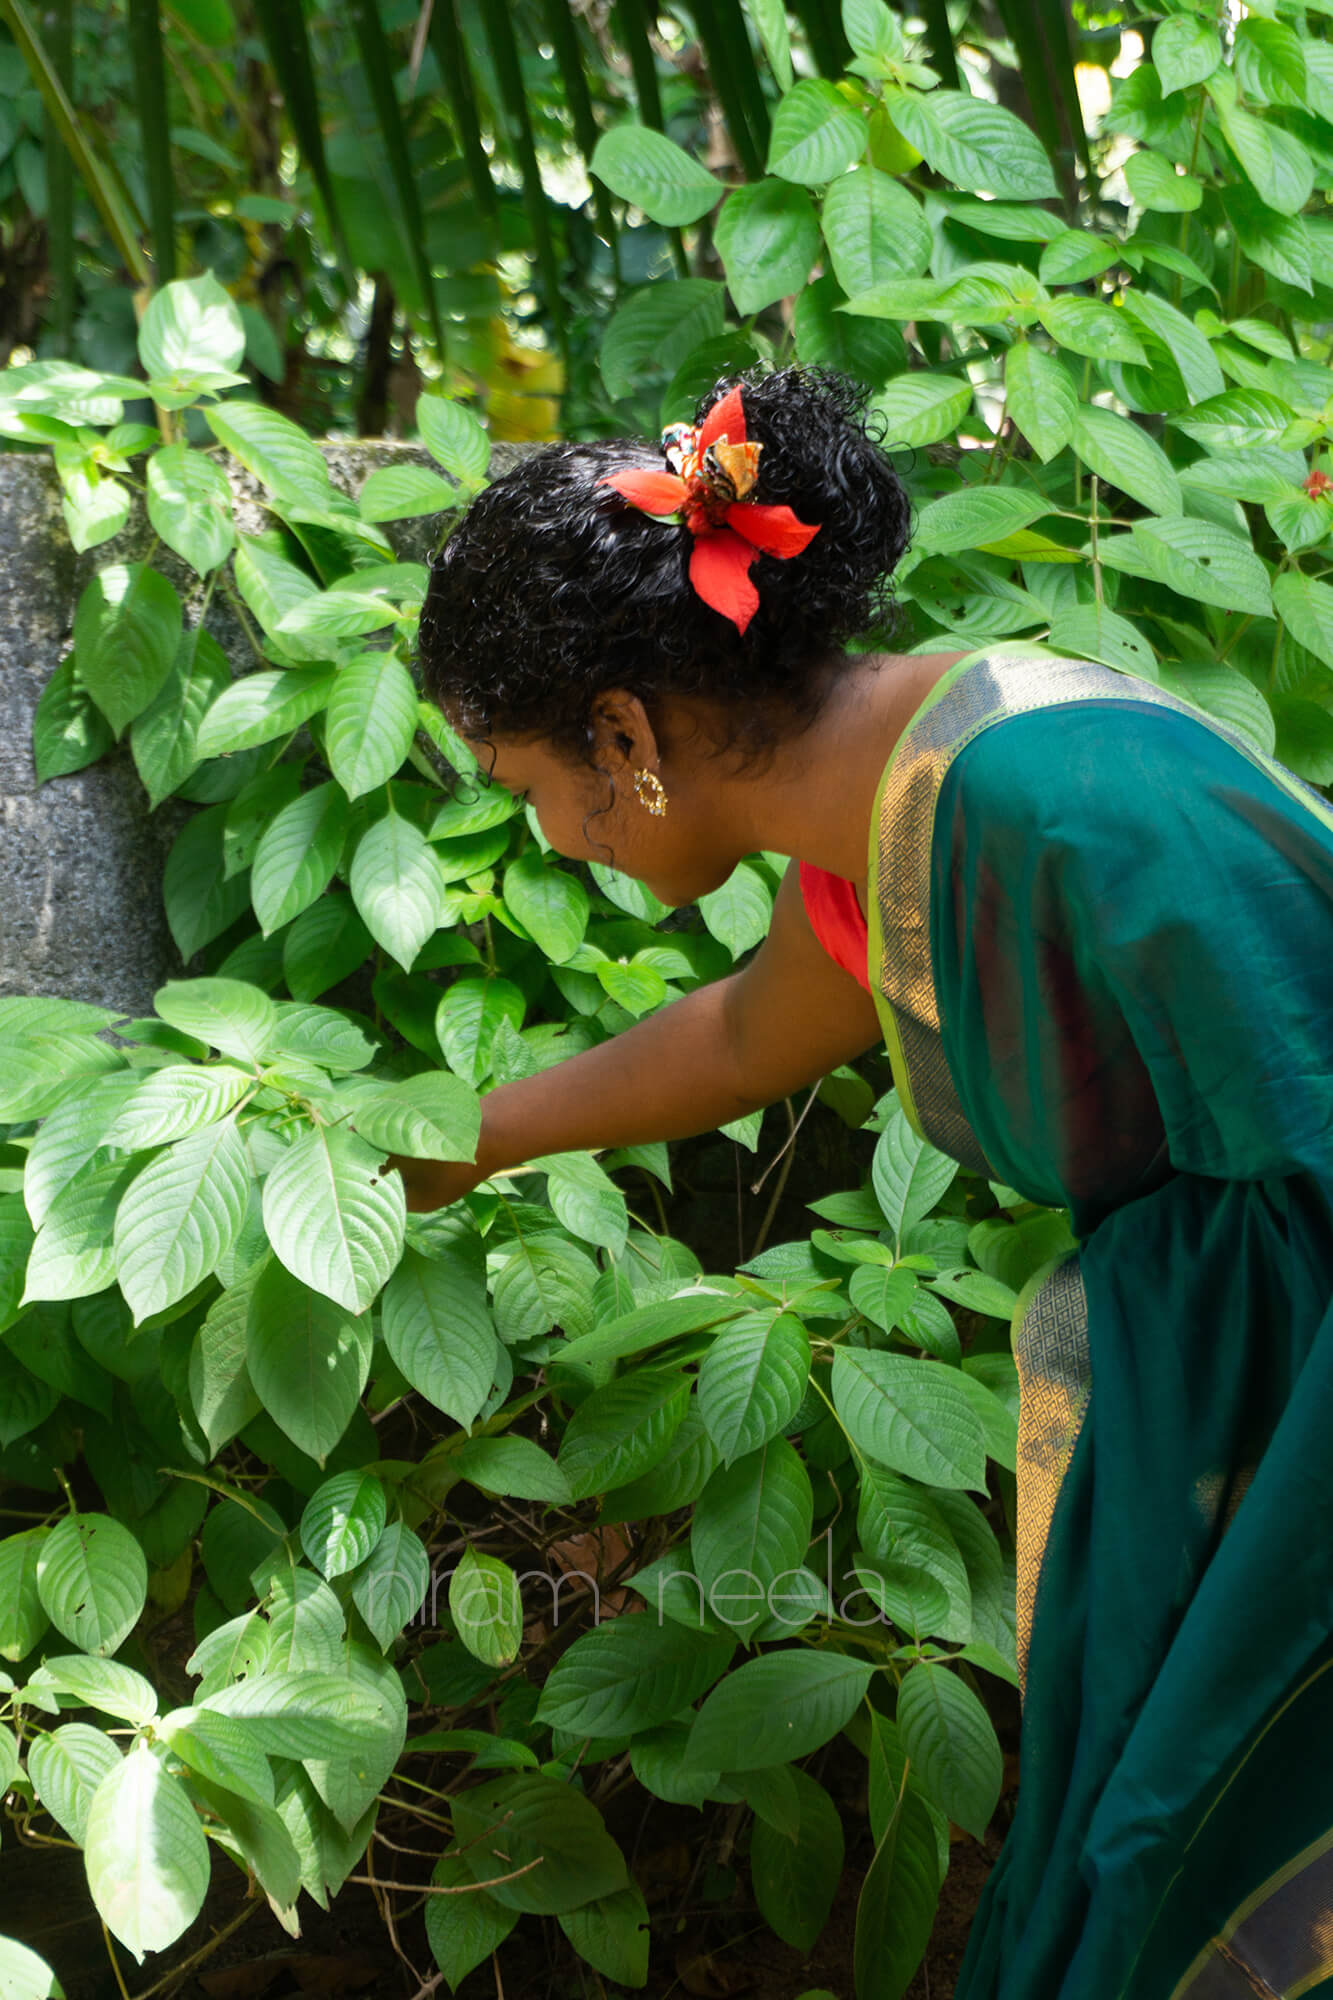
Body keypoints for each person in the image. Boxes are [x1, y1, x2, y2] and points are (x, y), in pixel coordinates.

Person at [408, 365, 1333, 1998]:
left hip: (1290, 1407)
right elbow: (747, 1035)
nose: (556, 839)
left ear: (622, 733)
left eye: (529, 790)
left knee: (1183, 1859)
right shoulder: (894, 802)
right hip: (1210, 1387)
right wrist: (463, 1140)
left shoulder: (1060, 802)